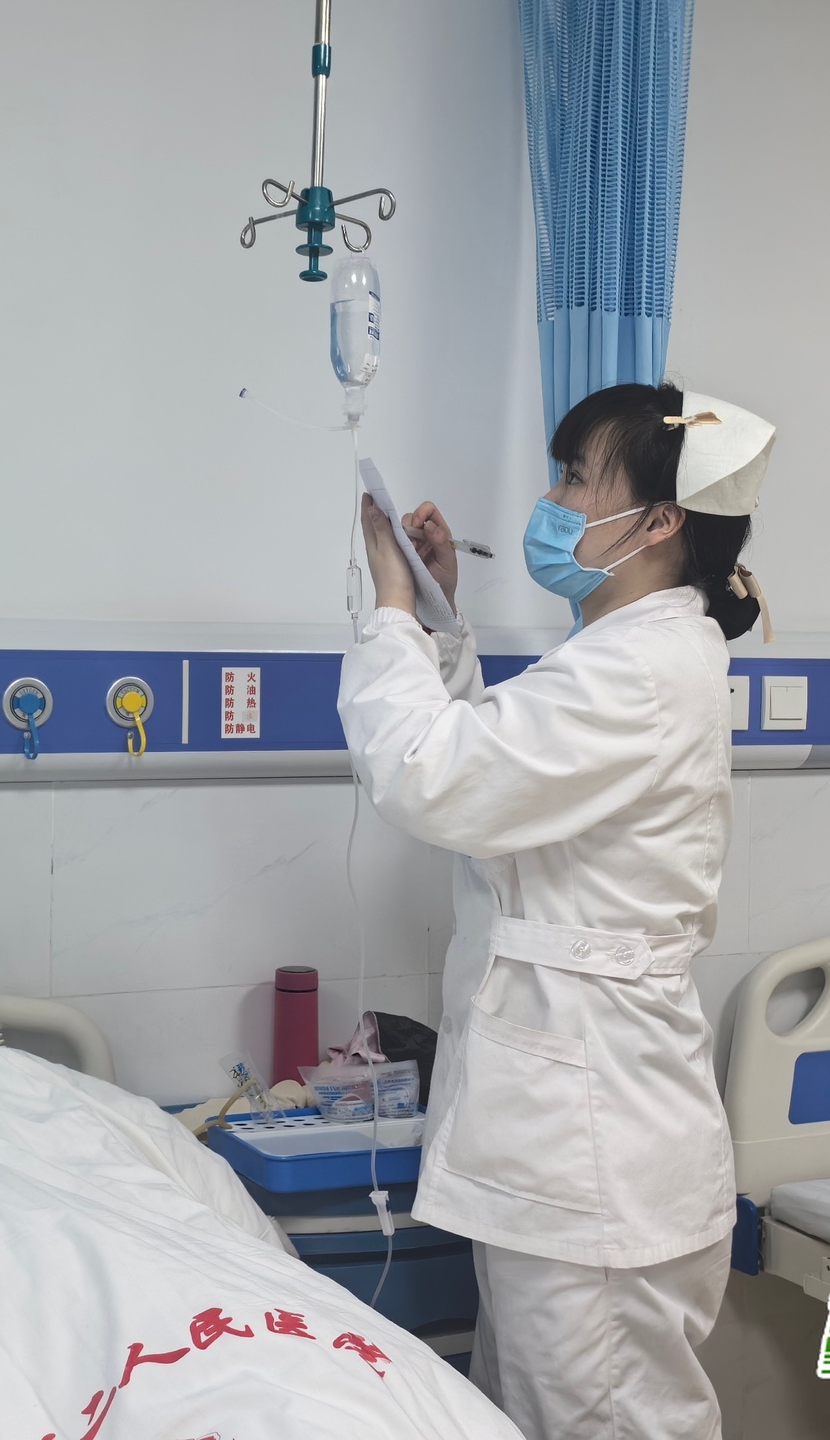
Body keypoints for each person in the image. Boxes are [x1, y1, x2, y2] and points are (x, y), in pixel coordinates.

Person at [336, 382, 775, 1439]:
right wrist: (440, 620)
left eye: (577, 478)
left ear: (659, 523)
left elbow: (434, 778)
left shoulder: (643, 668)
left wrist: (390, 610)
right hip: (567, 1147)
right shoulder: (626, 657)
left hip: (594, 1153)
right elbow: (503, 778)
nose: (553, 499)